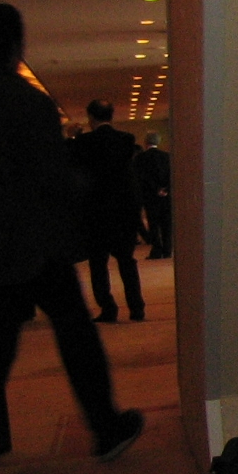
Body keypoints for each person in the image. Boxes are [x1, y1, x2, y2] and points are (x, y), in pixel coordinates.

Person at [0, 3, 143, 474]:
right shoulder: (27, 102)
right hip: (34, 243)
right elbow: (51, 178)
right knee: (75, 333)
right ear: (13, 46)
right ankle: (105, 426)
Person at [69, 98, 144, 323]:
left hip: (96, 212)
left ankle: (108, 307)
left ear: (90, 117)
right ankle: (136, 307)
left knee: (98, 264)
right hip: (123, 210)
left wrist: (73, 137)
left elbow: (71, 163)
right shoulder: (126, 139)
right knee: (126, 261)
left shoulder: (84, 142)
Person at [132, 131, 172, 258]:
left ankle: (156, 250)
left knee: (153, 223)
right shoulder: (167, 156)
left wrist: (155, 189)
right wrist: (166, 189)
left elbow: (141, 178)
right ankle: (167, 249)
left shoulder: (140, 158)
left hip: (149, 195)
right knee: (166, 223)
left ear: (146, 142)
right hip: (166, 195)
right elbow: (172, 174)